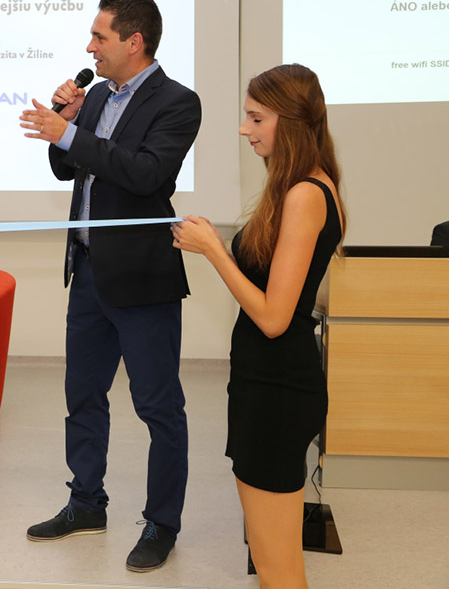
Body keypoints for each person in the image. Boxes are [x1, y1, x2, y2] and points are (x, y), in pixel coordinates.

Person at [19, 0, 201, 572]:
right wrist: (67, 124)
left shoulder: (178, 102)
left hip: (143, 280)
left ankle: (162, 522)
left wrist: (72, 135)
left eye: (99, 37)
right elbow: (67, 167)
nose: (89, 47)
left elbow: (146, 175)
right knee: (82, 395)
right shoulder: (97, 95)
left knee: (157, 406)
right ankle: (86, 503)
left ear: (134, 41)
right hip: (89, 272)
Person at [172, 64, 344, 588]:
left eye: (256, 118)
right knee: (274, 564)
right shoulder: (298, 187)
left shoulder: (305, 194)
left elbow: (272, 317)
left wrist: (214, 251)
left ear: (289, 121)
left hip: (278, 391)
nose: (244, 129)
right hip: (265, 385)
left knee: (278, 569)